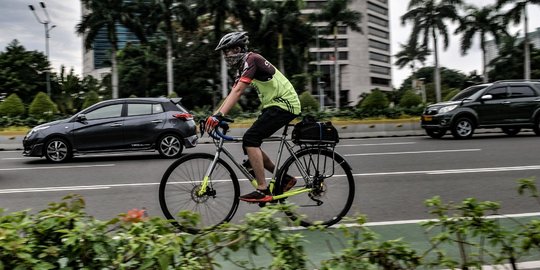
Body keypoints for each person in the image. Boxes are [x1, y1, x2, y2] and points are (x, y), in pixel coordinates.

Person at [205, 31, 301, 202]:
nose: (226, 55)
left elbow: (239, 91)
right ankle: (285, 179)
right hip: (274, 106)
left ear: (239, 48)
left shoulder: (252, 59)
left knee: (251, 139)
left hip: (285, 105)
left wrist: (218, 116)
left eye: (228, 50)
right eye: (224, 52)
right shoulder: (243, 66)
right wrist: (215, 116)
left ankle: (263, 190)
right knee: (249, 142)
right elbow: (233, 92)